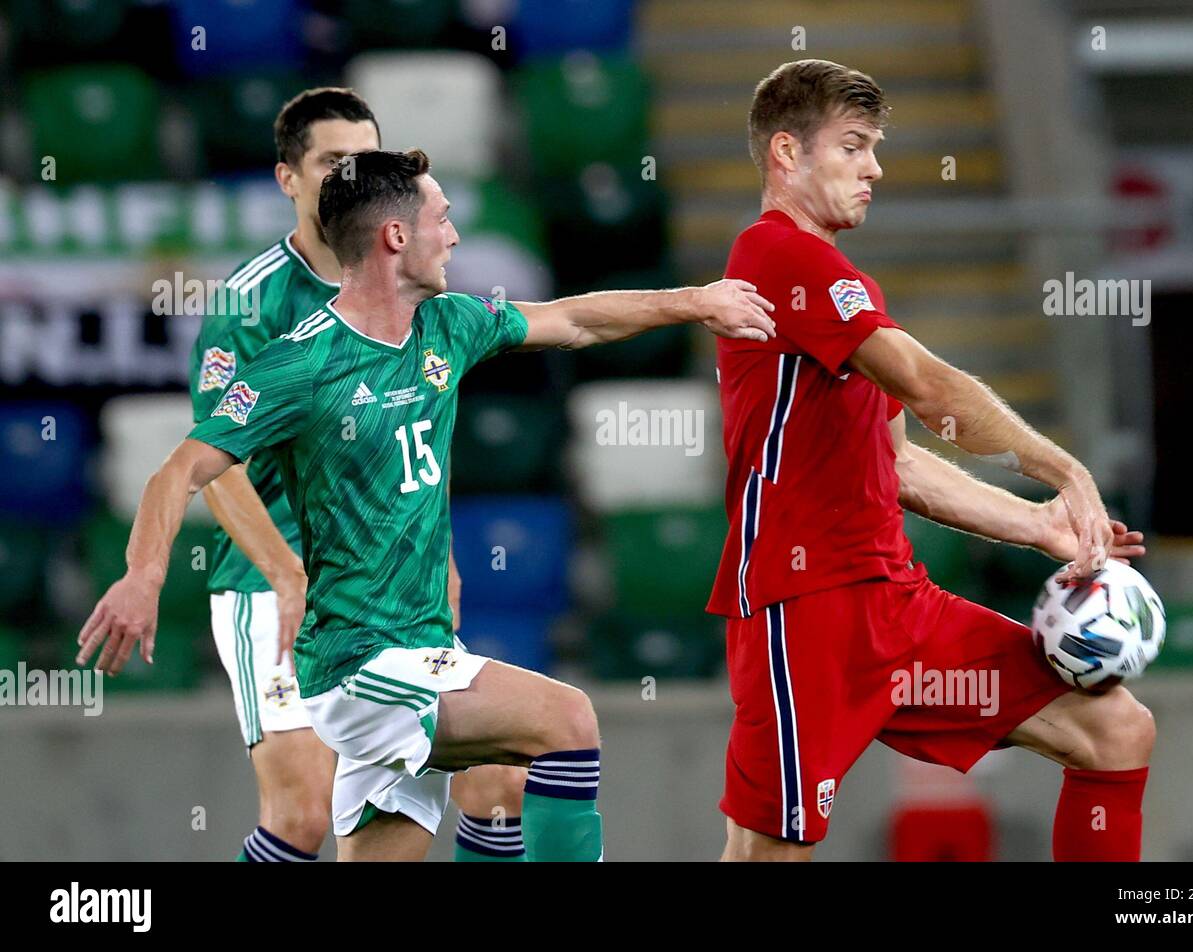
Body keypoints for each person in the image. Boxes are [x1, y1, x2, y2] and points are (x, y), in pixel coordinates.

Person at [79, 147, 776, 861]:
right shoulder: (303, 363)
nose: (455, 236)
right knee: (567, 719)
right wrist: (144, 576)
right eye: (443, 219)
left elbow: (573, 321)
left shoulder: (447, 324)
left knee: (497, 779)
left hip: (418, 648)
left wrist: (693, 301)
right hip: (357, 664)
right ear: (396, 237)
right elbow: (179, 470)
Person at [708, 59, 1154, 861]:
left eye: (875, 147)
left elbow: (902, 468)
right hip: (802, 610)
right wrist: (1065, 470)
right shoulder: (775, 256)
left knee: (1114, 729)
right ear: (785, 153)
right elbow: (925, 383)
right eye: (853, 146)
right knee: (770, 853)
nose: (874, 166)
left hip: (896, 607)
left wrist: (1038, 525)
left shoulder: (843, 282)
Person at [189, 86, 529, 863]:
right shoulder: (251, 303)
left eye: (363, 156)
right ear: (288, 178)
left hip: (383, 594)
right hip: (268, 584)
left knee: (496, 780)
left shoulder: (403, 282)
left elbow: (407, 438)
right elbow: (211, 467)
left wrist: (436, 561)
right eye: (331, 159)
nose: (350, 169)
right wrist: (286, 573)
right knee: (303, 812)